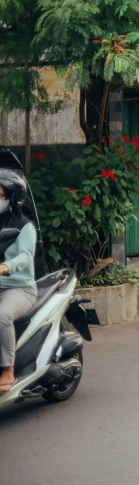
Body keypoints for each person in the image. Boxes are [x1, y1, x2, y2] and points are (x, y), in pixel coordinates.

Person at [0, 169, 37, 395]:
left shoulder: (25, 225)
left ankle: (8, 368)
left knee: (2, 315)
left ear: (12, 197)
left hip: (20, 288)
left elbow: (25, 256)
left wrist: (6, 266)